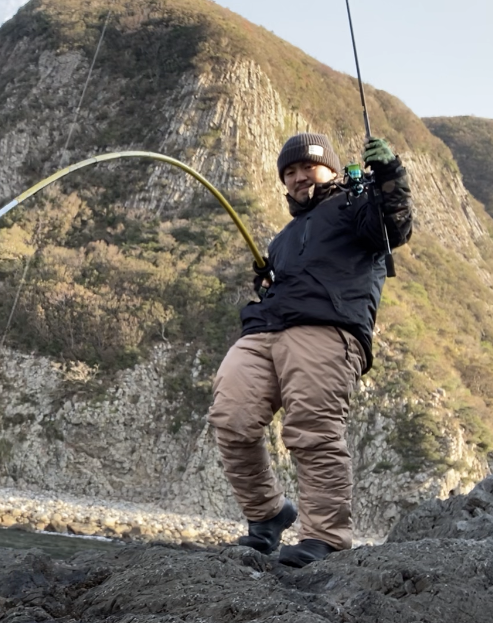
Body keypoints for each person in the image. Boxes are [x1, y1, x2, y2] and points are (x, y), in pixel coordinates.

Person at [206, 132, 413, 567]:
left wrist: (390, 176)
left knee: (312, 429)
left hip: (329, 329)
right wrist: (267, 281)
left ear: (333, 170)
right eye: (290, 172)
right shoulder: (283, 237)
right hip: (265, 330)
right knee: (230, 416)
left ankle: (326, 538)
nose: (300, 177)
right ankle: (267, 518)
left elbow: (394, 227)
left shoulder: (359, 206)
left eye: (309, 167)